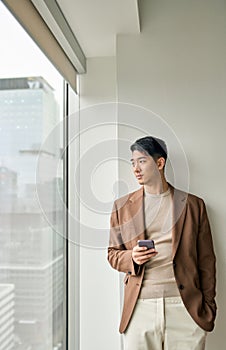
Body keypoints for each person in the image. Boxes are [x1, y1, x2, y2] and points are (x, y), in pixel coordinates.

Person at [108, 136, 216, 350]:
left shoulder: (194, 205)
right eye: (132, 162)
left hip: (185, 309)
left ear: (160, 163)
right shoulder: (122, 207)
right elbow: (112, 254)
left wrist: (208, 308)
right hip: (140, 308)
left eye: (141, 161)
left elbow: (206, 261)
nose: (135, 168)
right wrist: (132, 257)